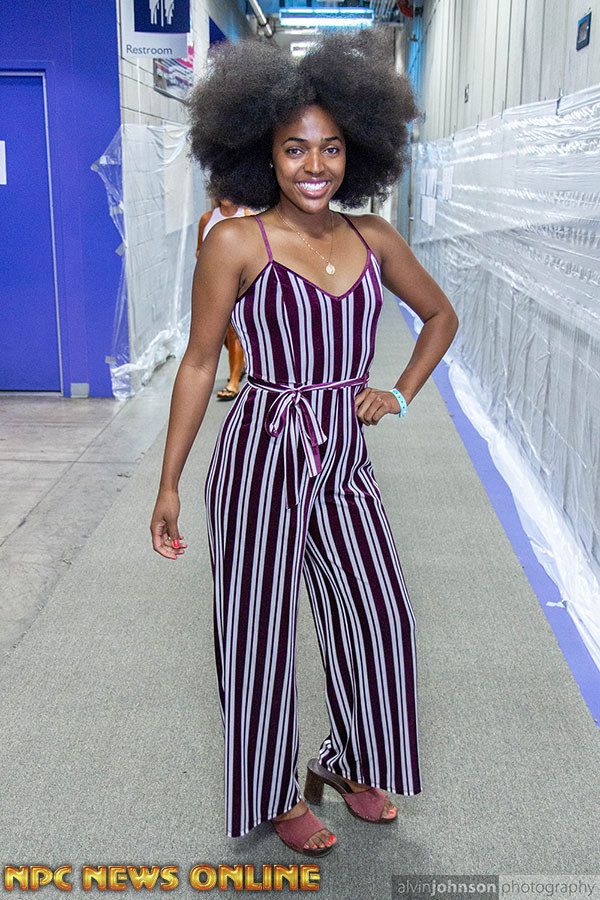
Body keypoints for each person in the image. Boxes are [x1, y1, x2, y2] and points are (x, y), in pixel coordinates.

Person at [150, 28, 459, 856]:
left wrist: (398, 390)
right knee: (256, 634)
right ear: (265, 153)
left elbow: (441, 315)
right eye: (294, 148)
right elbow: (199, 362)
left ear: (356, 153)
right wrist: (169, 482)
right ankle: (277, 792)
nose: (314, 165)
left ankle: (350, 760)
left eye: (330, 148)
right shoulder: (235, 242)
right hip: (259, 456)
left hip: (344, 461)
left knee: (382, 614)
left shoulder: (375, 239)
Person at [196, 196, 252, 400]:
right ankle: (241, 363)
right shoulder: (207, 218)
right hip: (212, 283)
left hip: (239, 282)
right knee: (218, 331)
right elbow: (199, 250)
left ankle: (233, 381)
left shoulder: (247, 215)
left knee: (233, 331)